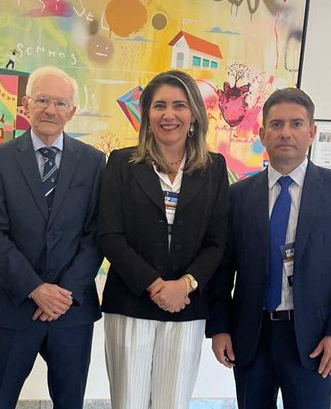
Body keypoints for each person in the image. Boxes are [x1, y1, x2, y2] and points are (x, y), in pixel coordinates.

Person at [206, 88, 331, 409]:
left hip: (313, 339)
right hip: (251, 336)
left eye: (296, 124)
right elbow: (223, 269)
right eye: (277, 124)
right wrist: (220, 328)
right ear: (262, 133)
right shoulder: (238, 195)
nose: (286, 133)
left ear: (312, 133)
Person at [97, 70, 229, 409]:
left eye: (179, 105)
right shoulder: (122, 163)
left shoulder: (213, 168)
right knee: (129, 402)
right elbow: (109, 235)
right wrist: (156, 286)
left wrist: (184, 285)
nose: (169, 115)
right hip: (131, 302)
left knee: (173, 402)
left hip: (187, 305)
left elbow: (217, 241)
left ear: (195, 114)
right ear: (147, 114)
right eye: (159, 106)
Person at [0, 66, 105, 409]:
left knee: (70, 401)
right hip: (12, 305)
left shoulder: (94, 162)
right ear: (25, 105)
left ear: (72, 111)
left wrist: (62, 295)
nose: (51, 110)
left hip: (71, 310)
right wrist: (35, 289)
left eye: (61, 103)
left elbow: (96, 235)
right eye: (43, 100)